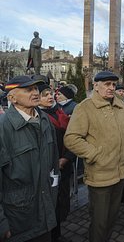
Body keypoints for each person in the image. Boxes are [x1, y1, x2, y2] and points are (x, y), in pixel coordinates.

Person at [64, 70, 124, 242]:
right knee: (99, 222)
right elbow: (71, 138)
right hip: (100, 175)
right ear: (96, 86)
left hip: (121, 173)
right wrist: (95, 154)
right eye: (107, 84)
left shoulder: (121, 106)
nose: (111, 88)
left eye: (113, 84)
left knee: (112, 218)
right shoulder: (85, 107)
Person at [0, 75, 59, 241]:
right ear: (12, 97)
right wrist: (1, 223)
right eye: (28, 90)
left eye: (35, 89)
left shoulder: (45, 119)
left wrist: (53, 194)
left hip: (45, 210)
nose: (35, 93)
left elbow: (53, 163)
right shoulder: (3, 128)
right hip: (18, 219)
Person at [38, 83, 75, 242]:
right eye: (45, 94)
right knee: (50, 206)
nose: (50, 97)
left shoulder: (60, 112)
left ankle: (57, 235)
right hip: (48, 171)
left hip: (63, 165)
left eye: (51, 93)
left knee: (61, 204)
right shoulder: (38, 117)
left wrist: (66, 158)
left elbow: (72, 138)